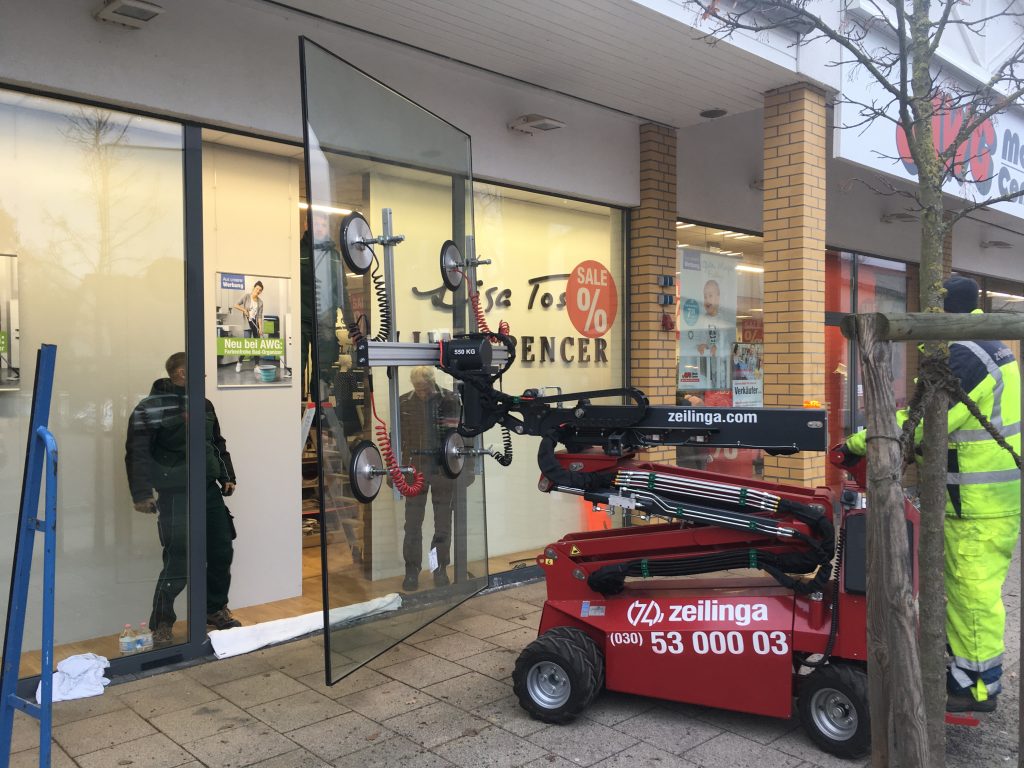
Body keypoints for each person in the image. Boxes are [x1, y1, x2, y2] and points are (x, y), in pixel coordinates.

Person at [840, 275, 1021, 713]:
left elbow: (926, 419)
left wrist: (859, 442)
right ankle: (965, 669)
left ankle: (978, 688)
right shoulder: (989, 344)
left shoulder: (966, 353)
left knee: (973, 592)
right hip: (987, 498)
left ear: (943, 311)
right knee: (965, 588)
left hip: (978, 503)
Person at [125, 352, 241, 646]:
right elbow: (137, 453)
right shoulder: (149, 408)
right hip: (176, 493)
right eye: (198, 371)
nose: (204, 376)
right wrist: (141, 493)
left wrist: (227, 475)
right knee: (179, 560)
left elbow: (216, 443)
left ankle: (214, 609)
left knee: (220, 551)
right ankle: (162, 623)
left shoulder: (204, 404)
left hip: (208, 491)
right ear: (181, 373)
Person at [399, 366, 460, 592]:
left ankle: (438, 568)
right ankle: (412, 570)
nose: (421, 392)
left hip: (443, 469)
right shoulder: (404, 402)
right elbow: (397, 438)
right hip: (414, 469)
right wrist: (395, 470)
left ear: (432, 383)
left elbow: (460, 436)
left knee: (442, 525)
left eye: (424, 388)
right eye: (417, 388)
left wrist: (465, 470)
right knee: (412, 525)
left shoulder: (449, 400)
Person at [233, 280, 264, 373]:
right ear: (253, 288)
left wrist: (260, 328)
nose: (258, 291)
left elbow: (259, 316)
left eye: (260, 290)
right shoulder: (246, 296)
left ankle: (256, 366)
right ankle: (239, 362)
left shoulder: (260, 302)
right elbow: (236, 305)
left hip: (255, 324)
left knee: (256, 346)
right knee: (246, 345)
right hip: (248, 323)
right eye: (257, 289)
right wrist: (244, 310)